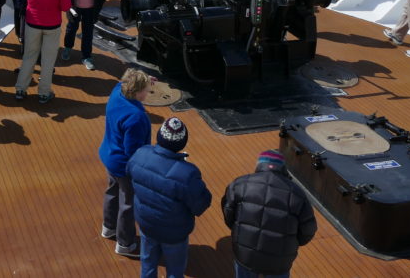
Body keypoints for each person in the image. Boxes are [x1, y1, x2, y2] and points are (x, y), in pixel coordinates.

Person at [128, 117, 212, 278]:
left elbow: (129, 172)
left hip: (146, 224)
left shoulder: (140, 154)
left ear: (159, 136)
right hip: (174, 233)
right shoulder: (188, 173)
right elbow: (202, 203)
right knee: (175, 270)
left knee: (147, 262)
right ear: (182, 144)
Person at [222, 150, 316, 278]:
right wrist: (292, 243)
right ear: (282, 167)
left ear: (259, 165)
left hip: (246, 255)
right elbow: (308, 230)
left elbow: (228, 215)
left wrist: (239, 231)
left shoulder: (239, 184)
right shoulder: (297, 193)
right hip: (279, 260)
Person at [99, 67, 153, 258]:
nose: (148, 93)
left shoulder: (117, 92)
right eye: (146, 90)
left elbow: (123, 82)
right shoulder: (136, 117)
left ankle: (108, 227)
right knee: (128, 203)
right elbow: (133, 152)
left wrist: (145, 79)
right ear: (137, 92)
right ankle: (125, 243)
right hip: (123, 165)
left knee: (112, 192)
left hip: (109, 156)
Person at [15, 0, 71, 104]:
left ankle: (21, 89)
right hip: (51, 26)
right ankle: (44, 93)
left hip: (32, 23)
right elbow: (66, 6)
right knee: (47, 60)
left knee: (29, 56)